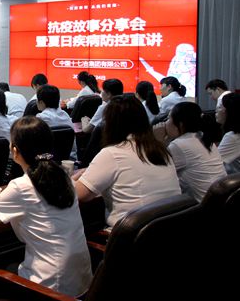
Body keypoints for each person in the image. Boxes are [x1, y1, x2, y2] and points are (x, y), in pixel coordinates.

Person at [0, 116, 92, 297]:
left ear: (15, 150)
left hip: (50, 291)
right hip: (82, 283)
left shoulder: (21, 186)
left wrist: (3, 215)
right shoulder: (64, 177)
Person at [73, 95, 181, 229]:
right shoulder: (160, 150)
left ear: (110, 124)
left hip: (129, 235)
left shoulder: (113, 153)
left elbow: (80, 194)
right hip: (165, 231)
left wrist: (72, 178)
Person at [165, 102, 226, 202]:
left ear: (180, 124)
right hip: (221, 201)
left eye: (168, 119)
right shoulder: (203, 137)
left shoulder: (179, 145)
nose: (165, 123)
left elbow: (159, 172)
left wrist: (159, 141)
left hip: (202, 206)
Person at [216, 92, 240, 174]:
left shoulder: (233, 137)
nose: (216, 111)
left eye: (220, 107)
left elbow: (213, 162)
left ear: (229, 112)